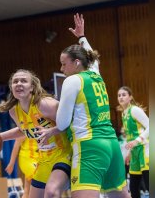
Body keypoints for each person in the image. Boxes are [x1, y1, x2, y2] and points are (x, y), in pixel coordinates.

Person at [36, 13, 130, 198]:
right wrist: (82, 37)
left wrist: (51, 130)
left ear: (77, 62)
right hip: (111, 144)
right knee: (120, 196)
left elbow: (62, 123)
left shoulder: (73, 81)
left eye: (64, 64)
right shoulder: (95, 73)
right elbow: (93, 57)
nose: (62, 69)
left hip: (89, 146)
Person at [0, 69, 72, 198]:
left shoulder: (46, 104)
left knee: (51, 192)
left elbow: (71, 121)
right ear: (11, 87)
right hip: (44, 159)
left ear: (32, 87)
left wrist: (52, 131)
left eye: (23, 81)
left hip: (64, 154)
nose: (18, 83)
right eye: (15, 81)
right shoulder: (14, 111)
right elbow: (23, 130)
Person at [117, 86, 149, 198]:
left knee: (149, 184)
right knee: (134, 188)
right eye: (119, 95)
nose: (121, 97)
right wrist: (129, 153)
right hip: (134, 152)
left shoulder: (134, 110)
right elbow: (131, 137)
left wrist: (137, 140)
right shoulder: (123, 114)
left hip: (145, 148)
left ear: (130, 97)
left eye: (124, 95)